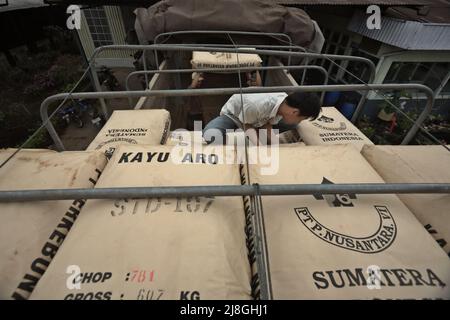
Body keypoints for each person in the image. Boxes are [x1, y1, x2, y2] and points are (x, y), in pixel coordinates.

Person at [202, 91, 321, 144]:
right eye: (302, 118)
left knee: (293, 125)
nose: (301, 121)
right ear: (294, 112)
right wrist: (258, 146)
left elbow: (267, 124)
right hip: (236, 116)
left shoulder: (283, 105)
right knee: (210, 134)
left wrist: (275, 145)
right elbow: (246, 125)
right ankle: (231, 153)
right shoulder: (257, 105)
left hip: (258, 120)